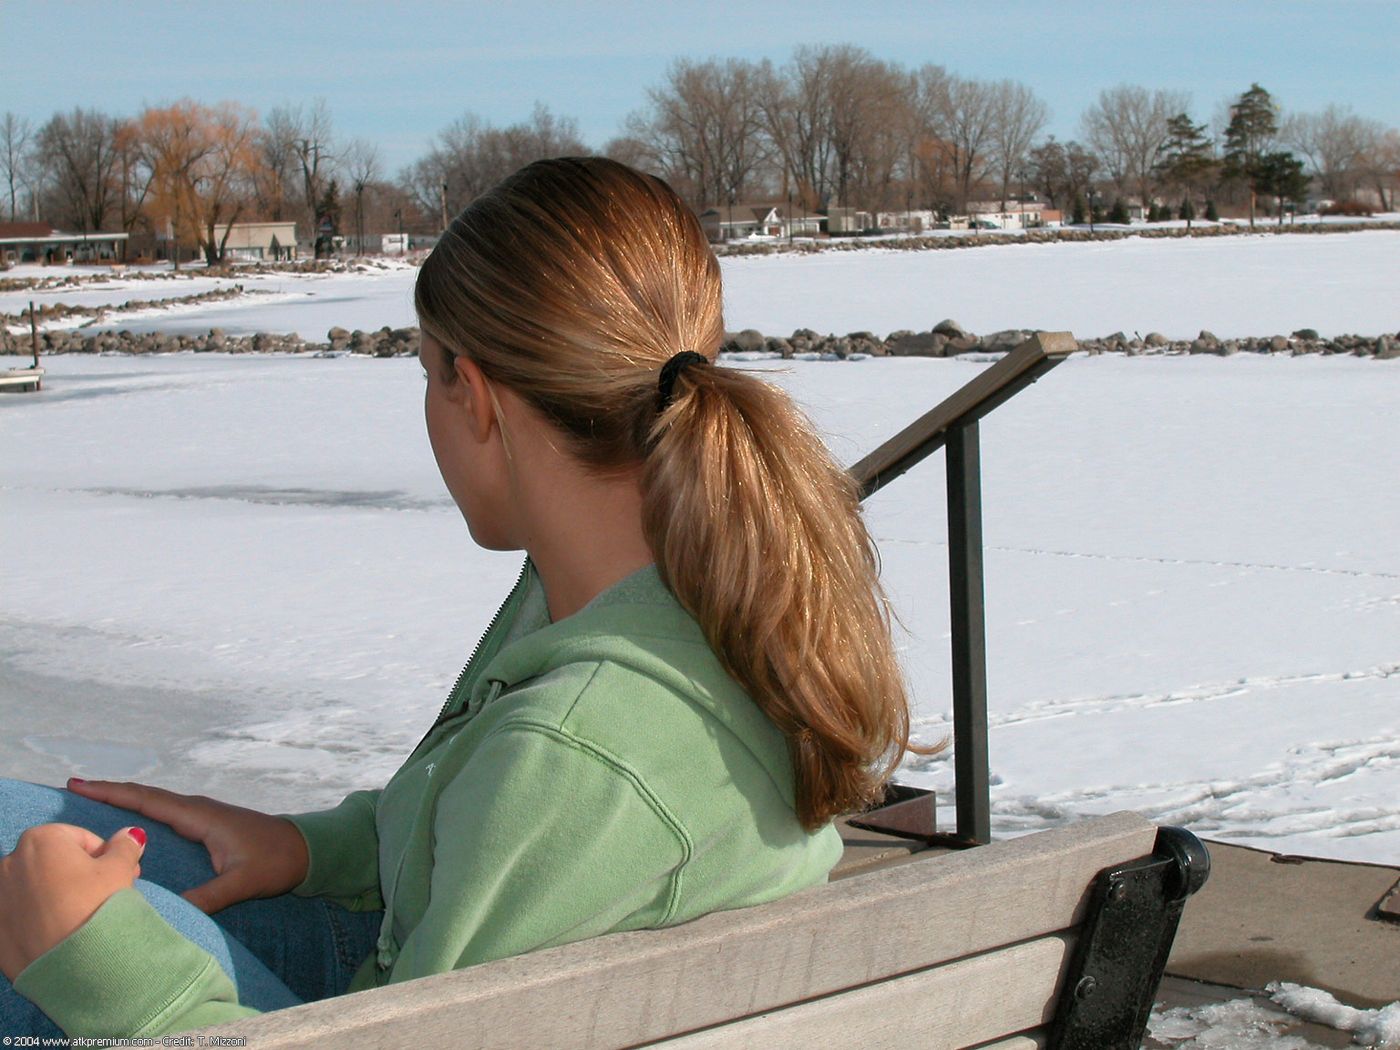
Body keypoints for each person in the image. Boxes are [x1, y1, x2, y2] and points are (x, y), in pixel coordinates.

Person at [0, 157, 922, 1038]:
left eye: (427, 373)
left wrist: (101, 972)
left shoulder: (580, 752)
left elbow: (530, 829)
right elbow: (490, 848)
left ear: (474, 396)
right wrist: (316, 849)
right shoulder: (677, 586)